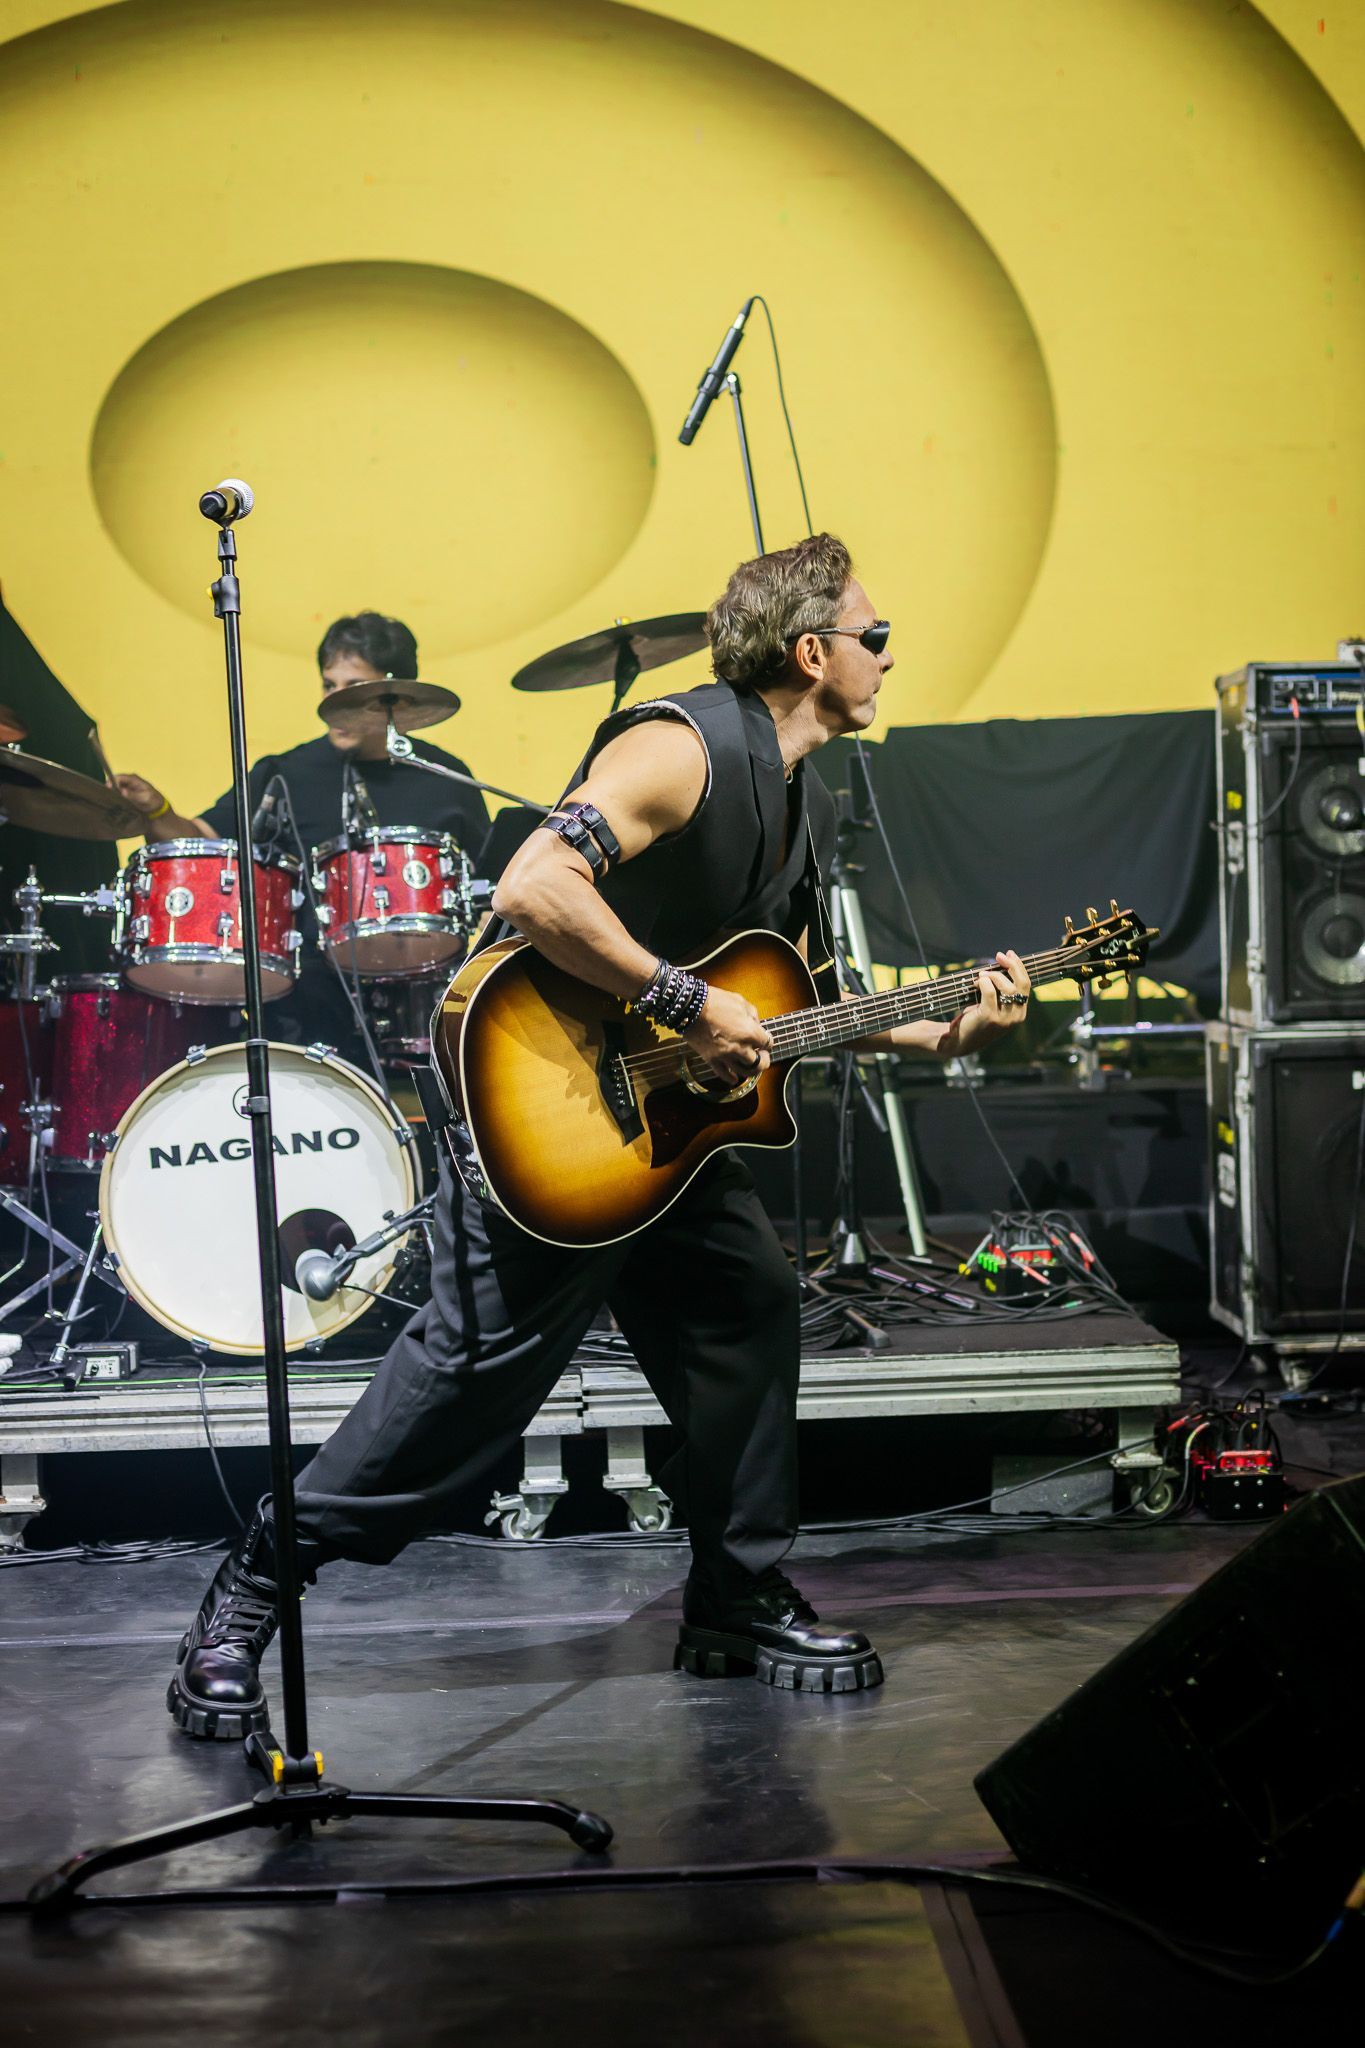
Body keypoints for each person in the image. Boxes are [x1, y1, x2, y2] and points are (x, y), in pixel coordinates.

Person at [167, 536, 1032, 1739]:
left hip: (667, 1134)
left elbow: (782, 994)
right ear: (812, 651)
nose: (888, 657)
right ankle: (253, 1583)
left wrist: (937, 1032)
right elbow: (531, 885)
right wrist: (681, 1000)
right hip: (553, 1098)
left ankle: (734, 1595)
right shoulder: (680, 745)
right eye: (874, 637)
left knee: (746, 1312)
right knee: (462, 1397)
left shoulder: (804, 790)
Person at [115, 612, 490, 1061]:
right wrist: (157, 810)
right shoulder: (285, 774)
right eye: (329, 686)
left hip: (426, 989)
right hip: (309, 999)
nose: (336, 700)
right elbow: (201, 841)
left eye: (353, 688)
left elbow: (487, 889)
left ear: (395, 696)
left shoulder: (446, 778)